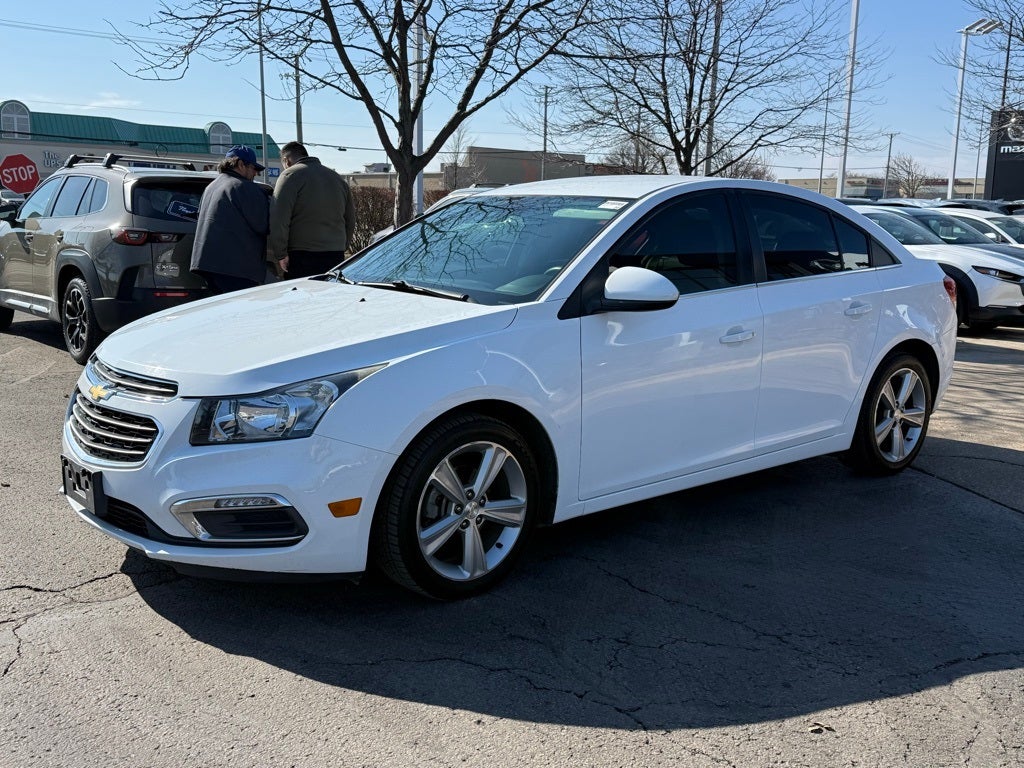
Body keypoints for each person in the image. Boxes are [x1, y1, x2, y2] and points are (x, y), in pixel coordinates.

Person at [269, 141, 356, 278]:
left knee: (303, 297)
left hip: (302, 255)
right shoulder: (337, 178)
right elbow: (350, 220)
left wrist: (281, 253)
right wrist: (341, 246)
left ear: (286, 160)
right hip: (335, 254)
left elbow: (279, 218)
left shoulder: (289, 176)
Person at [190, 145, 270, 294]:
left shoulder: (211, 187)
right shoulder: (245, 187)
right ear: (240, 164)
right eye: (254, 168)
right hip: (237, 269)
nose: (256, 174)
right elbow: (263, 225)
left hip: (208, 265)